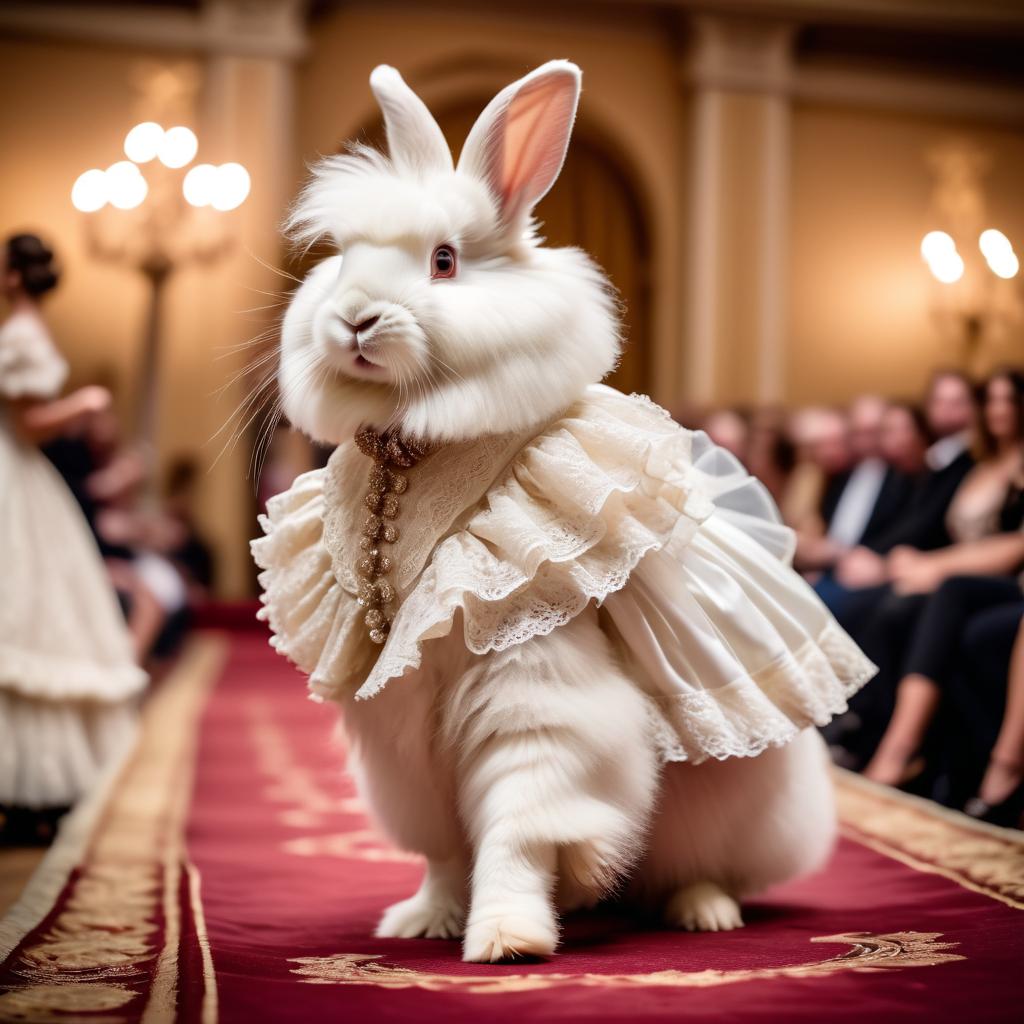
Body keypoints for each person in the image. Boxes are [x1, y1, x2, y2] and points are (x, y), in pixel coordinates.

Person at [0, 232, 146, 829]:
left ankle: (30, 787)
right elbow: (30, 423)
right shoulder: (24, 332)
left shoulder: (23, 331)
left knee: (33, 611)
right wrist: (83, 403)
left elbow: (29, 423)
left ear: (14, 276)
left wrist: (80, 406)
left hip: (20, 471)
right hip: (16, 474)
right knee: (28, 613)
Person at [841, 369, 1024, 772]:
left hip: (995, 582)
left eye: (1008, 400)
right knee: (885, 606)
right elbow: (937, 528)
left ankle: (900, 744)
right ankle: (867, 728)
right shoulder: (979, 464)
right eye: (991, 400)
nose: (998, 410)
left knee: (920, 603)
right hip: (961, 576)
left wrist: (932, 565)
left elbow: (1013, 545)